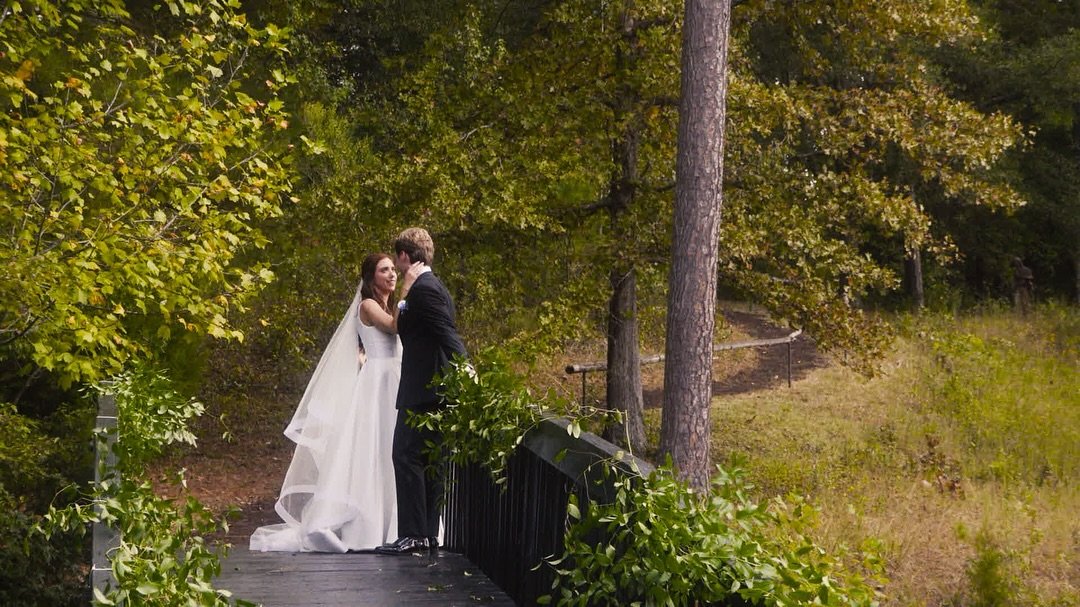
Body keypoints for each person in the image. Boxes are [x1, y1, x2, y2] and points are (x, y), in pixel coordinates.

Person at [249, 253, 422, 553]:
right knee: (374, 448)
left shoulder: (387, 304)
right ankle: (366, 524)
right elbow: (394, 327)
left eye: (394, 270)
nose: (392, 275)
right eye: (385, 271)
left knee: (391, 449)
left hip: (393, 379)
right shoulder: (368, 306)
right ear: (371, 278)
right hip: (378, 383)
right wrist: (408, 289)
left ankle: (392, 522)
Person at [375, 228, 468, 555]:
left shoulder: (424, 289)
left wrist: (467, 369)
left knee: (406, 455)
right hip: (432, 388)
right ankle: (426, 533)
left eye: (397, 257)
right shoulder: (432, 285)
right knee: (430, 461)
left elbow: (447, 334)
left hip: (425, 390)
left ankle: (414, 533)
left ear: (404, 255)